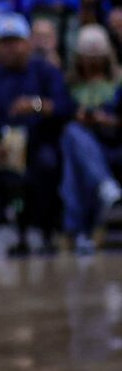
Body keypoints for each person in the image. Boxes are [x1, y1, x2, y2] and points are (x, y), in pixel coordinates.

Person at [0, 14, 72, 257]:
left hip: (38, 141)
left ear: (28, 43)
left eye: (16, 41)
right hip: (1, 148)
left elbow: (65, 107)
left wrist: (35, 105)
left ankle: (38, 226)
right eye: (5, 42)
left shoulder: (46, 73)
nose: (11, 48)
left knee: (48, 162)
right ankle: (1, 226)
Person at [60, 24, 122, 251]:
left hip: (113, 142)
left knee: (74, 159)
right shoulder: (68, 84)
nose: (93, 62)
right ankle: (104, 186)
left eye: (98, 57)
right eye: (88, 57)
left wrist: (110, 121)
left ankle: (77, 230)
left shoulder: (119, 82)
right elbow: (59, 112)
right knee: (72, 135)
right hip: (82, 144)